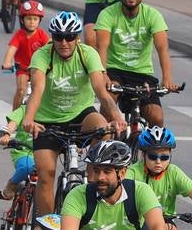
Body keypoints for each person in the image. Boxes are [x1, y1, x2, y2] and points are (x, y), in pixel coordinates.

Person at [16, 11, 124, 218]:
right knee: (46, 174)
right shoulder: (42, 55)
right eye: (58, 37)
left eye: (69, 37)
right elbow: (37, 89)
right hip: (47, 120)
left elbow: (101, 91)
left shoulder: (87, 54)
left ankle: (92, 180)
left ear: (77, 38)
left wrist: (117, 117)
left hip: (80, 115)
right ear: (52, 38)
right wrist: (28, 119)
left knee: (102, 127)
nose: (64, 42)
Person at [93, 0, 180, 128]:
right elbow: (101, 47)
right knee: (108, 105)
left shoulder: (153, 15)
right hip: (115, 71)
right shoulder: (107, 14)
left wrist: (167, 78)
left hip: (142, 74)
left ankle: (150, 152)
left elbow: (162, 49)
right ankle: (102, 148)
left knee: (157, 118)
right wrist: (103, 74)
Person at [1, 0, 50, 109]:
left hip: (38, 69)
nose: (32, 22)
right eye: (28, 19)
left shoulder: (41, 34)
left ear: (39, 20)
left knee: (42, 92)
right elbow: (12, 49)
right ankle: (14, 118)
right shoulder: (19, 35)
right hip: (22, 69)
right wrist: (7, 62)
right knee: (21, 90)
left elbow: (50, 47)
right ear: (22, 20)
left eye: (35, 19)